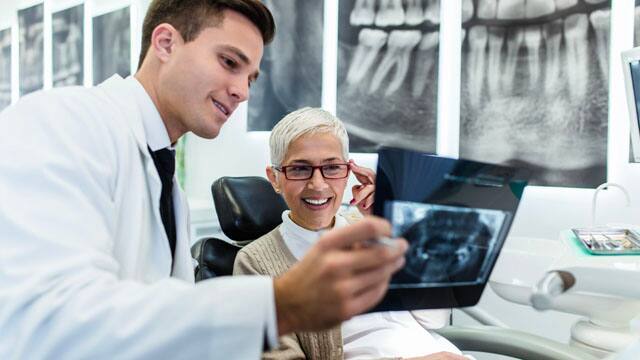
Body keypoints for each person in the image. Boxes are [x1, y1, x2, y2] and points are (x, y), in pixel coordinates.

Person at [0, 1, 409, 358]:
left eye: (250, 78)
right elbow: (49, 324)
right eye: (229, 63)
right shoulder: (61, 121)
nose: (243, 92)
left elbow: (166, 332)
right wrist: (279, 304)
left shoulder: (164, 181)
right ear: (165, 43)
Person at [234, 107, 468, 360]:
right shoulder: (255, 262)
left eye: (332, 167)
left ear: (347, 172)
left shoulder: (370, 227)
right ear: (275, 178)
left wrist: (396, 225)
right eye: (300, 169)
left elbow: (435, 319)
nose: (318, 184)